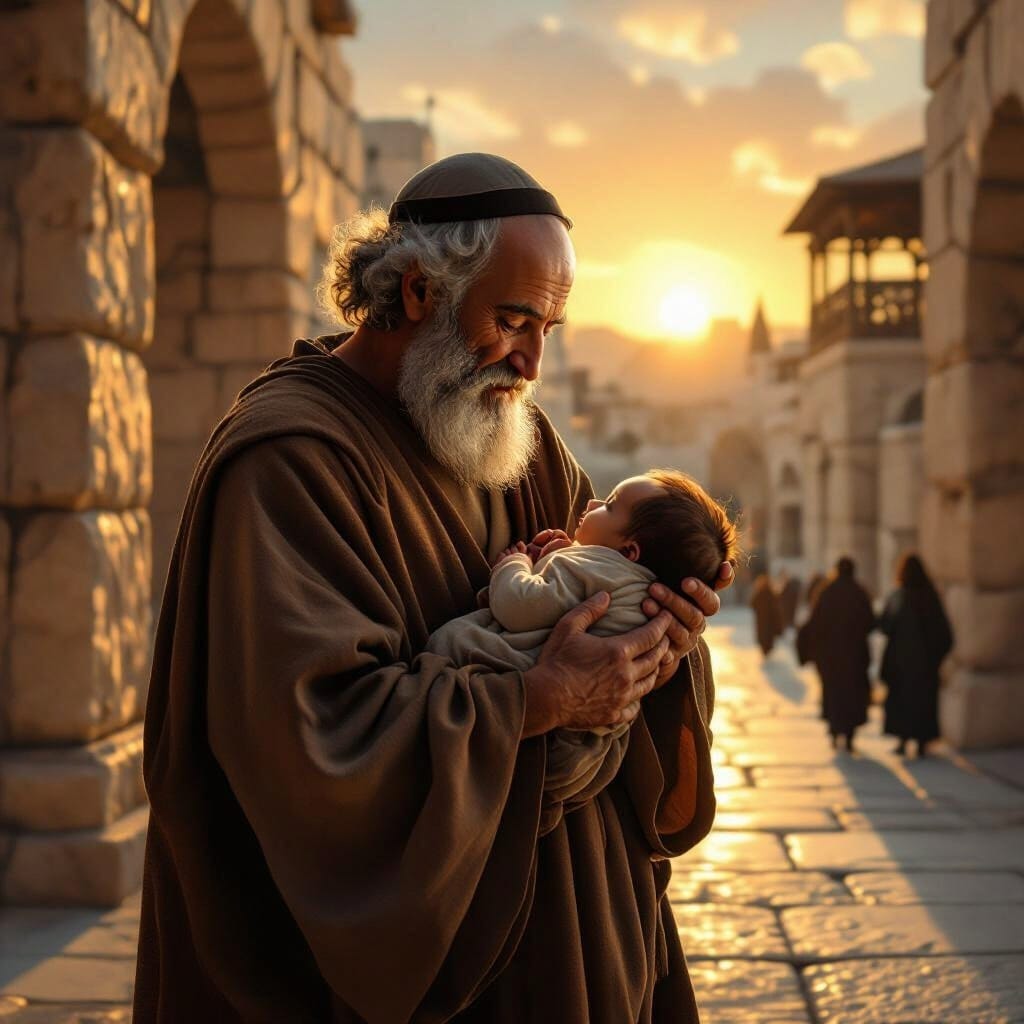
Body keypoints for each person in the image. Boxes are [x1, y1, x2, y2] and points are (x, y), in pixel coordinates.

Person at [133, 153, 733, 1024]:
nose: (529, 363)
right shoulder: (291, 459)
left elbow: (619, 584)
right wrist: (533, 700)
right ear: (417, 291)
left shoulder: (506, 428)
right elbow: (310, 739)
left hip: (577, 925)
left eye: (549, 330)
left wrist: (667, 639)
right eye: (513, 319)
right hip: (432, 975)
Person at [426, 470, 739, 807]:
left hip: (497, 722)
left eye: (609, 505)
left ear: (631, 550)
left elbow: (519, 606)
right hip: (591, 759)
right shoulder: (646, 585)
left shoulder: (548, 463)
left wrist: (517, 563)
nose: (591, 503)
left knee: (453, 643)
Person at [878, 553, 953, 757]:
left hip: (901, 665)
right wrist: (934, 659)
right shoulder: (930, 597)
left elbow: (884, 625)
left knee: (902, 704)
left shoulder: (899, 597)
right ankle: (921, 743)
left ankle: (903, 741)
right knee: (922, 704)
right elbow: (945, 635)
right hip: (925, 668)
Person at [796, 556, 874, 752]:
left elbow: (814, 624)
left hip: (830, 658)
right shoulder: (859, 593)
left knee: (832, 694)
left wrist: (809, 652)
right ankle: (849, 736)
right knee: (852, 695)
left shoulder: (827, 592)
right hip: (854, 658)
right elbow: (870, 622)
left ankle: (833, 731)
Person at [749, 573, 784, 658]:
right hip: (769, 622)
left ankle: (765, 652)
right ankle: (767, 651)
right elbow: (776, 608)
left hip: (761, 621)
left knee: (763, 638)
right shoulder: (771, 593)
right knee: (768, 638)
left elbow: (752, 604)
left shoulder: (759, 593)